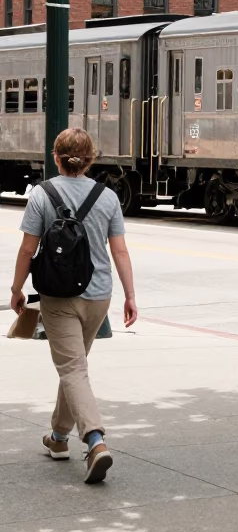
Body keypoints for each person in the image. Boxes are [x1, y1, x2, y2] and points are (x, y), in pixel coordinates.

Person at [8, 128, 137, 484]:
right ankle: (59, 437)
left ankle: (95, 440)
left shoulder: (41, 195)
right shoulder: (108, 196)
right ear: (92, 158)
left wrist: (17, 289)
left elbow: (26, 250)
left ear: (56, 157)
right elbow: (120, 251)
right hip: (98, 296)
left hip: (58, 297)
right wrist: (130, 294)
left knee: (73, 369)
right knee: (74, 367)